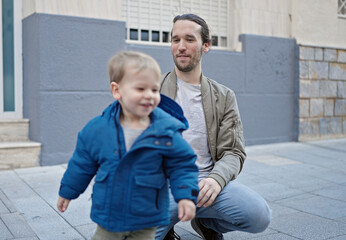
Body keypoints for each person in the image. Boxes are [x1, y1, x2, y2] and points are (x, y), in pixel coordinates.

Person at [57, 51, 200, 240]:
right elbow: (82, 164)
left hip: (146, 217)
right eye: (140, 89)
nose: (149, 95)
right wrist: (68, 191)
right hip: (110, 216)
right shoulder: (97, 130)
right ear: (117, 91)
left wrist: (185, 196)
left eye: (154, 90)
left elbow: (182, 165)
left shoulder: (167, 130)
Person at [155, 14, 272, 240]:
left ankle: (207, 222)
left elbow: (234, 152)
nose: (180, 47)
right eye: (175, 39)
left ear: (206, 45)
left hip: (206, 186)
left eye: (189, 39)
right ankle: (167, 225)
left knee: (259, 215)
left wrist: (216, 179)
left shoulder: (224, 96)